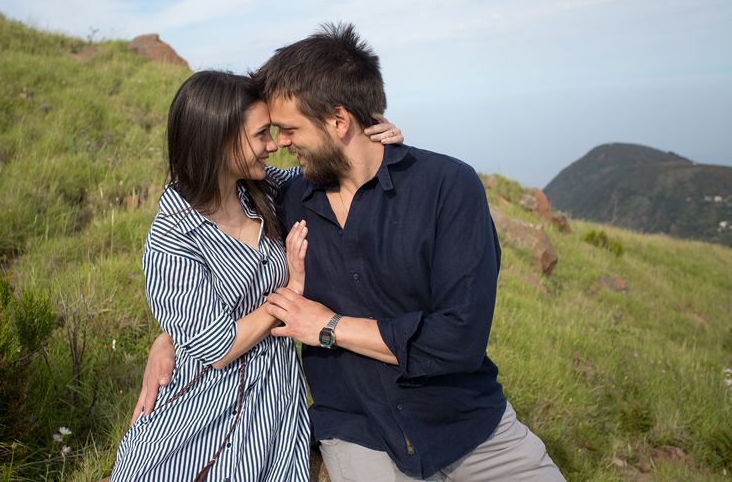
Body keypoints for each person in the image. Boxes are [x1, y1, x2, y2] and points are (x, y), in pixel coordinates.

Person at [139, 25, 565, 481]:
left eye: (288, 129)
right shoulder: (288, 198)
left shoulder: (447, 187)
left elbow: (458, 340)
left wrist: (328, 328)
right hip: (358, 431)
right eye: (271, 132)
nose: (280, 143)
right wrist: (170, 337)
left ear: (339, 122)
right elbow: (203, 267)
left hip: (466, 424)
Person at [111, 70, 403, 481]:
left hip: (276, 403)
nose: (273, 146)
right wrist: (290, 295)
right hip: (205, 409)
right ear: (218, 139)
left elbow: (328, 168)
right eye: (261, 135)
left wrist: (372, 139)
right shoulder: (173, 237)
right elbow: (217, 347)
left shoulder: (264, 190)